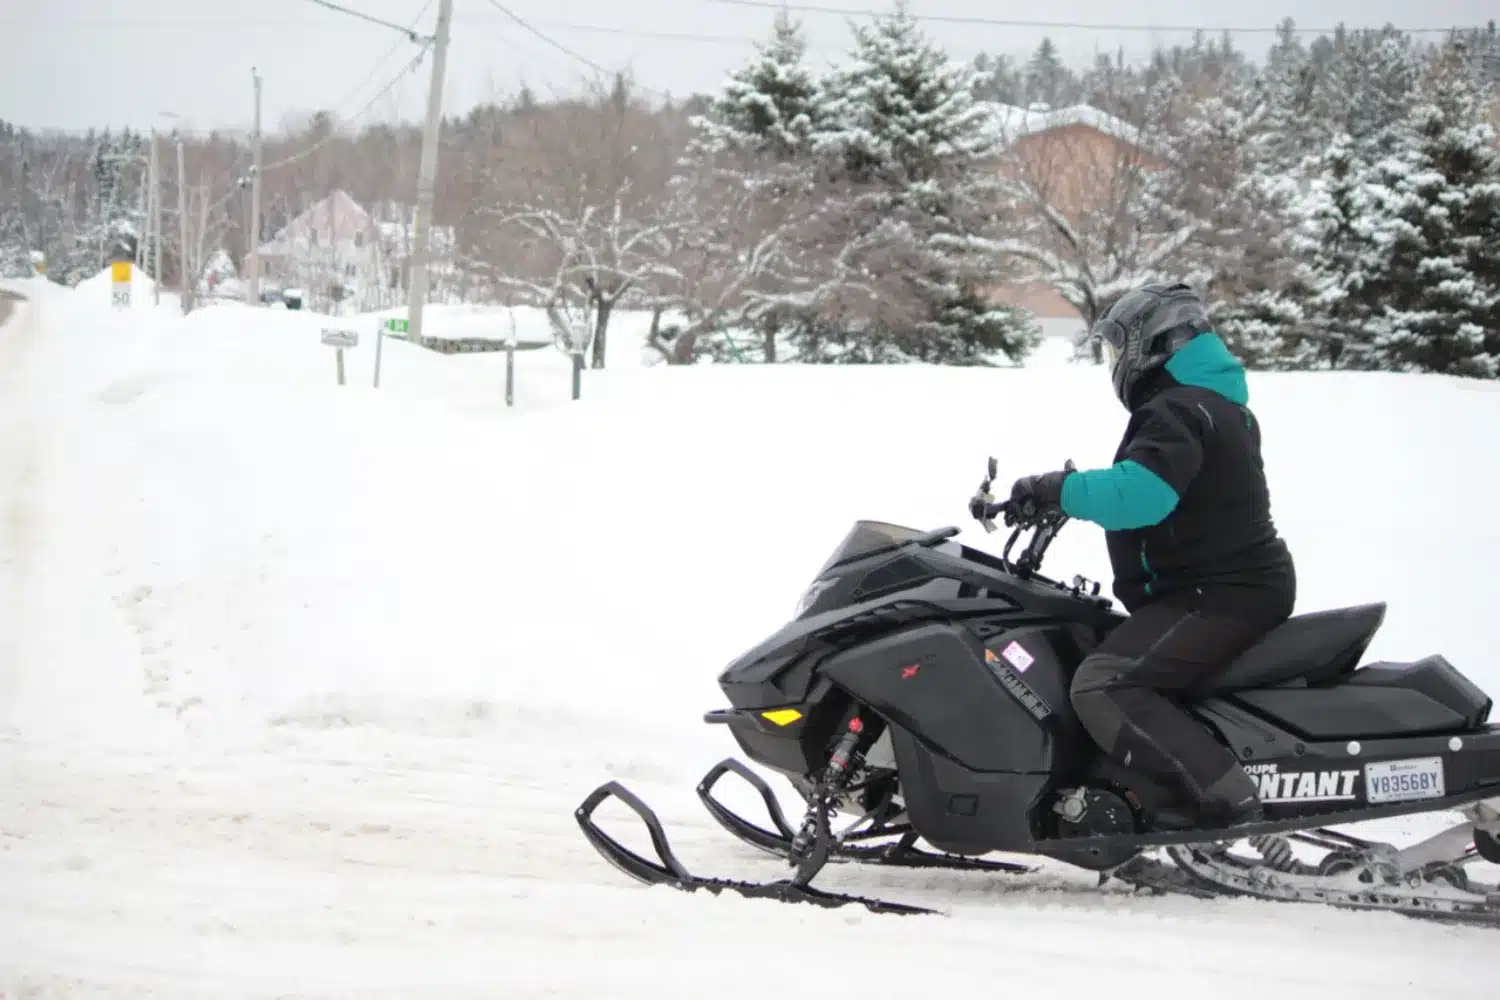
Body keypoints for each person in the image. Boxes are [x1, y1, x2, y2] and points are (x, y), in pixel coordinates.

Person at [1007, 282, 1295, 829]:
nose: (1114, 364)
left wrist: (1055, 489)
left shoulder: (1180, 409)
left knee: (1105, 684)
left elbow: (1140, 494)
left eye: (1117, 349)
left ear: (1153, 345)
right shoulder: (1212, 406)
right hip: (1230, 587)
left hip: (1218, 595)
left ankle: (1230, 800)